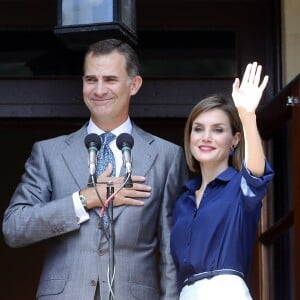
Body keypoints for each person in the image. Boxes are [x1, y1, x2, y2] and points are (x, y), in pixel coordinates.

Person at [2, 39, 189, 300]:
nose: (99, 90)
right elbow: (14, 227)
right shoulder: (49, 153)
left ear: (134, 85)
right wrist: (83, 200)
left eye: (110, 79)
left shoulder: (167, 156)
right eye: (91, 80)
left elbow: (171, 250)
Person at [170, 62, 274, 299]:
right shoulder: (183, 200)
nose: (206, 137)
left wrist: (247, 116)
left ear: (234, 140)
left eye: (218, 130)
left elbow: (256, 172)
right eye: (198, 129)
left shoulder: (239, 187)